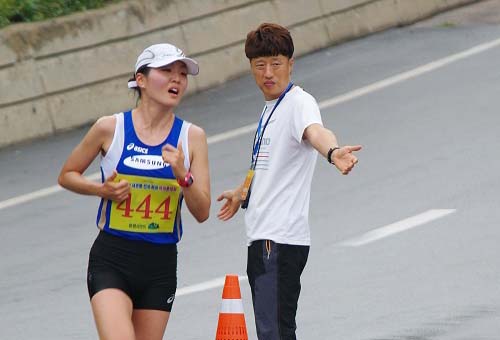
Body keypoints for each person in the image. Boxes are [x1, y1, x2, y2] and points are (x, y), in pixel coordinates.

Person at [217, 23, 361, 340]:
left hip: (278, 239)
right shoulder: (270, 109)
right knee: (275, 331)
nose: (268, 72)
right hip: (265, 237)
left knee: (275, 332)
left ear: (290, 64)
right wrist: (243, 192)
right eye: (260, 65)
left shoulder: (298, 103)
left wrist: (333, 151)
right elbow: (268, 166)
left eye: (276, 64)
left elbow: (315, 132)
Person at [58, 43, 210, 340]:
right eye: (166, 71)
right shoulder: (110, 128)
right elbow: (67, 175)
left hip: (160, 264)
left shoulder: (192, 137)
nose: (176, 79)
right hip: (112, 258)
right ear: (141, 79)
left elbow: (202, 211)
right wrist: (101, 189)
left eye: (182, 73)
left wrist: (183, 176)